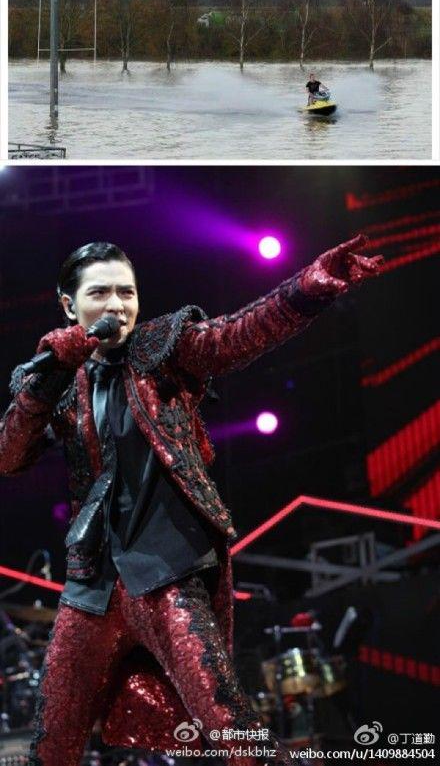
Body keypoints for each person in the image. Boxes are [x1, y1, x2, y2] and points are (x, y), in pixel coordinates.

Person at [0, 235, 382, 766]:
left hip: (167, 573)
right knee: (51, 743)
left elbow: (239, 334)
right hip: (92, 585)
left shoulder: (162, 348)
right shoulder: (60, 380)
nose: (117, 306)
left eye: (127, 292)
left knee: (229, 723)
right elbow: (9, 456)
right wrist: (43, 384)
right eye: (100, 293)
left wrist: (311, 286)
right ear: (69, 306)